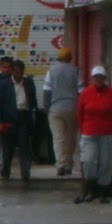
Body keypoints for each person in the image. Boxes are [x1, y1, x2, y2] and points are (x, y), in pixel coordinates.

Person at [75, 65, 112, 204]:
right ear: (92, 78)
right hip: (89, 132)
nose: (98, 80)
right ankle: (90, 190)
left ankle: (102, 192)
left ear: (105, 78)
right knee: (88, 161)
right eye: (96, 77)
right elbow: (80, 113)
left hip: (107, 133)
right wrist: (83, 129)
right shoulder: (85, 93)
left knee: (106, 163)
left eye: (101, 77)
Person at [0, 56, 37, 182]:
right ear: (12, 71)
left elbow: (33, 101)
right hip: (9, 119)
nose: (18, 74)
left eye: (20, 72)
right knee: (7, 148)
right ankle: (6, 170)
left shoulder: (28, 83)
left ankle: (25, 172)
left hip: (23, 118)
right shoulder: (4, 84)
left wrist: (33, 116)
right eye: (15, 71)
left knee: (24, 147)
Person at [42, 48, 80, 176]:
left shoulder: (51, 71)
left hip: (55, 109)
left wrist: (47, 109)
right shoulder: (76, 71)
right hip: (72, 108)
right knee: (70, 138)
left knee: (58, 138)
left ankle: (60, 165)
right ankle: (69, 165)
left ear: (58, 58)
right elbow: (81, 91)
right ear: (70, 58)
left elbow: (46, 92)